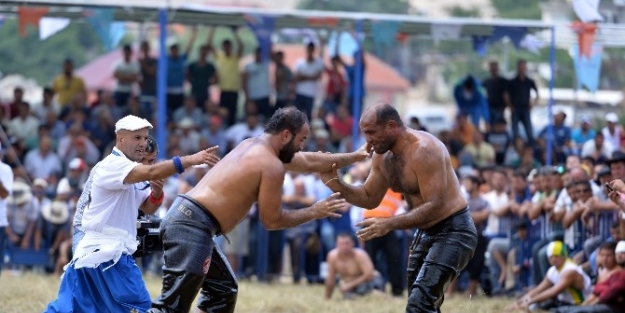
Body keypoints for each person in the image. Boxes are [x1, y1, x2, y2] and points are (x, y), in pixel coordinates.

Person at [149, 107, 369, 313]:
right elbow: (272, 220)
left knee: (222, 292)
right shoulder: (271, 165)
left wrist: (354, 156)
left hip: (190, 221)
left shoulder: (252, 145)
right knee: (171, 308)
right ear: (285, 136)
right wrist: (315, 211)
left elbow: (310, 161)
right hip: (191, 225)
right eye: (302, 140)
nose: (302, 146)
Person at [45, 115, 220, 313]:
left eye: (145, 138)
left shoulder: (131, 168)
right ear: (120, 139)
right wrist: (190, 160)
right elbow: (152, 172)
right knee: (138, 305)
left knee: (73, 308)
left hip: (105, 249)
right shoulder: (113, 165)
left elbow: (148, 207)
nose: (142, 143)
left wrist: (156, 193)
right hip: (104, 249)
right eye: (137, 138)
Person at [319, 103, 478, 313]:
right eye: (365, 133)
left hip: (454, 229)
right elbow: (368, 197)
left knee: (419, 303)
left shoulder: (425, 149)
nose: (368, 140)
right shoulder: (382, 156)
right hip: (425, 230)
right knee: (421, 302)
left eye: (371, 132)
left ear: (391, 126)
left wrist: (389, 223)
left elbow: (436, 205)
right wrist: (335, 184)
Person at [507, 241, 592, 312]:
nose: (554, 259)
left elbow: (554, 291)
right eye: (551, 257)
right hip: (565, 303)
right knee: (533, 307)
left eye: (557, 256)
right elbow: (538, 289)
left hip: (581, 304)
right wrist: (520, 302)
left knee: (535, 305)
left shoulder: (570, 270)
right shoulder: (552, 270)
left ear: (564, 256)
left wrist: (529, 302)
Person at [325, 232, 384, 300]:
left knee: (367, 291)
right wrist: (327, 297)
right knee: (348, 296)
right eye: (341, 244)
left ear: (352, 243)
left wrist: (349, 285)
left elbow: (369, 275)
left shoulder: (360, 255)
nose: (344, 247)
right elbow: (331, 278)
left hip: (370, 282)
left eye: (347, 243)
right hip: (351, 287)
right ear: (336, 244)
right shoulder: (332, 257)